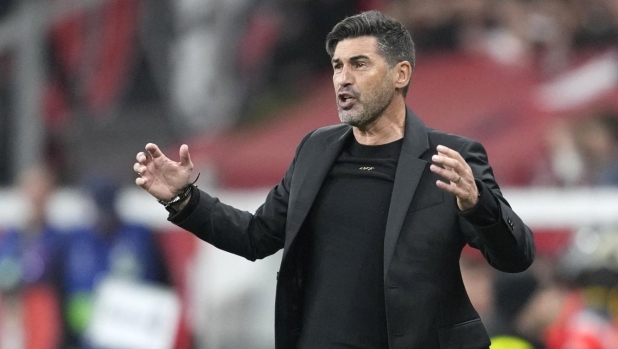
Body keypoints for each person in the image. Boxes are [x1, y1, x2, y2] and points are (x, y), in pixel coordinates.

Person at [133, 10, 535, 349]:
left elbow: (515, 257)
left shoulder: (451, 156)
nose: (343, 78)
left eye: (359, 64)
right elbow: (256, 236)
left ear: (400, 74)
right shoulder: (315, 149)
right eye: (337, 66)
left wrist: (478, 204)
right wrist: (185, 200)